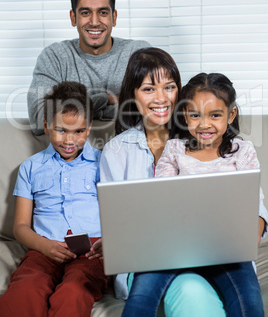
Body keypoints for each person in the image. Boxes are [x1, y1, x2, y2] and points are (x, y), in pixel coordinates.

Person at [122, 72, 268, 317]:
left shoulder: (243, 152)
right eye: (194, 115)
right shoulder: (175, 149)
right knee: (141, 293)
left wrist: (249, 236)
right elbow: (162, 197)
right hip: (177, 247)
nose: (204, 124)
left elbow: (252, 204)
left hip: (227, 251)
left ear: (230, 115)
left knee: (249, 303)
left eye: (215, 115)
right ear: (184, 114)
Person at [100, 49, 226, 317]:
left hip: (202, 255)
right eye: (148, 89)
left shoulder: (202, 136)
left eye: (169, 87)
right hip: (145, 263)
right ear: (132, 96)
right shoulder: (115, 151)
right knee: (190, 288)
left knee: (195, 282)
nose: (161, 98)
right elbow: (116, 226)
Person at [0, 81, 107, 317]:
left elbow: (118, 215)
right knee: (25, 290)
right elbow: (20, 226)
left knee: (73, 291)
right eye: (61, 130)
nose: (69, 141)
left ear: (89, 128)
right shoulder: (30, 167)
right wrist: (44, 246)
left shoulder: (103, 163)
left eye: (78, 131)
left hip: (90, 252)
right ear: (47, 125)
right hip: (43, 249)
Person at [27, 0, 150, 135]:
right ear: (73, 18)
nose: (94, 22)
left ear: (114, 17)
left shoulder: (139, 53)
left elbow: (155, 111)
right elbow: (39, 121)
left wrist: (77, 108)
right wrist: (108, 98)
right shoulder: (55, 56)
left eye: (103, 12)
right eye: (85, 12)